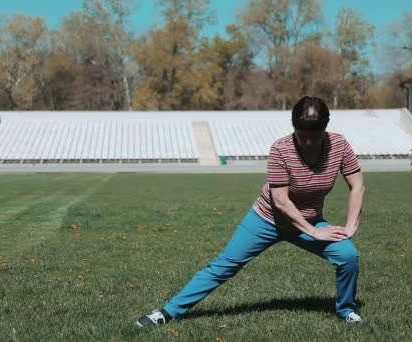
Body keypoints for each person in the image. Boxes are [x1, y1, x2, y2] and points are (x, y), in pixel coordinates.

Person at [137, 96, 366, 326]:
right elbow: (280, 200)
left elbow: (357, 186)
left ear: (325, 129)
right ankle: (166, 313)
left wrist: (350, 226)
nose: (307, 142)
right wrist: (314, 232)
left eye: (313, 137)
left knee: (348, 256)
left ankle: (346, 310)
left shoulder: (339, 145)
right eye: (301, 135)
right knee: (224, 266)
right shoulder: (281, 149)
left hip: (310, 220)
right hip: (267, 219)